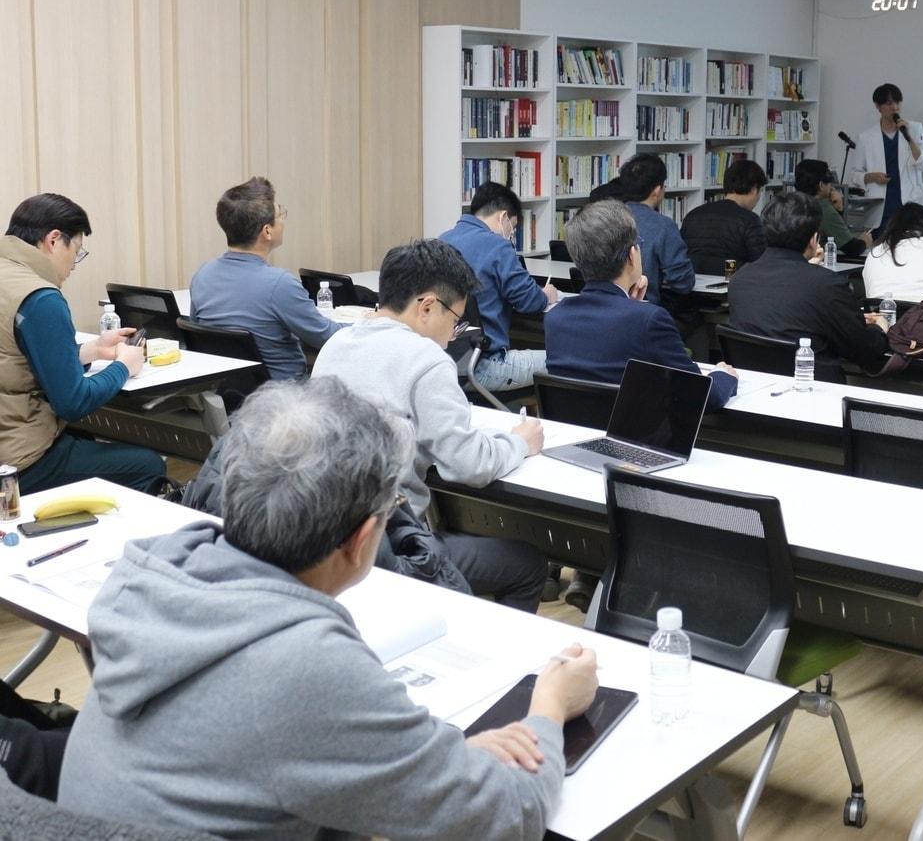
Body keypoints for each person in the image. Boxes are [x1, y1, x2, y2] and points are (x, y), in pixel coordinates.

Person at [58, 378, 598, 840]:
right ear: (364, 538)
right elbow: (511, 814)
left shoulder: (156, 575)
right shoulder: (301, 664)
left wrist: (436, 757)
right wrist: (549, 706)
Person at [312, 239, 548, 612]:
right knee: (529, 565)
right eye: (455, 321)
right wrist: (520, 443)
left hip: (326, 533)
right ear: (426, 306)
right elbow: (469, 465)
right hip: (394, 545)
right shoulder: (427, 359)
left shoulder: (336, 343)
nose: (453, 335)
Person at [0, 194, 166, 495]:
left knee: (84, 439)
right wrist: (123, 367)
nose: (75, 265)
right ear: (53, 240)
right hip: (18, 464)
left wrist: (89, 352)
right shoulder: (41, 298)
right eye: (76, 251)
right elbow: (73, 402)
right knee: (148, 465)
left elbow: (11, 361)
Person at [546, 200, 738, 411]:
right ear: (631, 255)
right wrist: (722, 376)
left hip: (578, 436)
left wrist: (629, 304)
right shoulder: (649, 319)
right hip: (636, 439)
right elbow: (700, 396)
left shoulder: (555, 317)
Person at [189, 177, 343, 380]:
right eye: (281, 215)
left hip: (230, 396)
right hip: (287, 399)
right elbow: (329, 337)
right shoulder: (279, 284)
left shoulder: (203, 275)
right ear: (267, 231)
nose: (284, 221)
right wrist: (372, 323)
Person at [728, 192, 890, 383]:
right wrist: (880, 330)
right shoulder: (826, 284)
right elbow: (864, 350)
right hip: (814, 396)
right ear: (814, 239)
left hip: (754, 392)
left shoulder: (740, 279)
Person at [439, 182, 558, 392]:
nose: (511, 234)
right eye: (512, 228)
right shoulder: (498, 247)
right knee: (565, 361)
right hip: (485, 366)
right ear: (503, 217)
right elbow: (530, 302)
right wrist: (547, 294)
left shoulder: (442, 240)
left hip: (448, 364)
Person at [845, 83, 923, 234]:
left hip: (910, 204)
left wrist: (909, 138)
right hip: (881, 207)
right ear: (878, 106)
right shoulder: (866, 138)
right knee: (881, 249)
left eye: (898, 102)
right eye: (889, 103)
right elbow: (854, 175)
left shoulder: (915, 130)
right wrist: (871, 176)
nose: (895, 108)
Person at [617, 153, 696, 308]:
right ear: (657, 190)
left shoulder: (604, 218)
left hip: (605, 308)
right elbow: (683, 283)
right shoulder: (663, 226)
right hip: (644, 312)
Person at [679, 158, 767, 275]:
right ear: (754, 189)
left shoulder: (693, 215)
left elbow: (680, 256)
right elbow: (761, 265)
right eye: (760, 191)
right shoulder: (750, 221)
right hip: (733, 289)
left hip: (692, 287)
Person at [794, 159, 871, 257]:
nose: (832, 187)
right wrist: (865, 241)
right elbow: (852, 248)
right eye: (830, 183)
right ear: (821, 185)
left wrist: (838, 209)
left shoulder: (791, 202)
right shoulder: (823, 208)